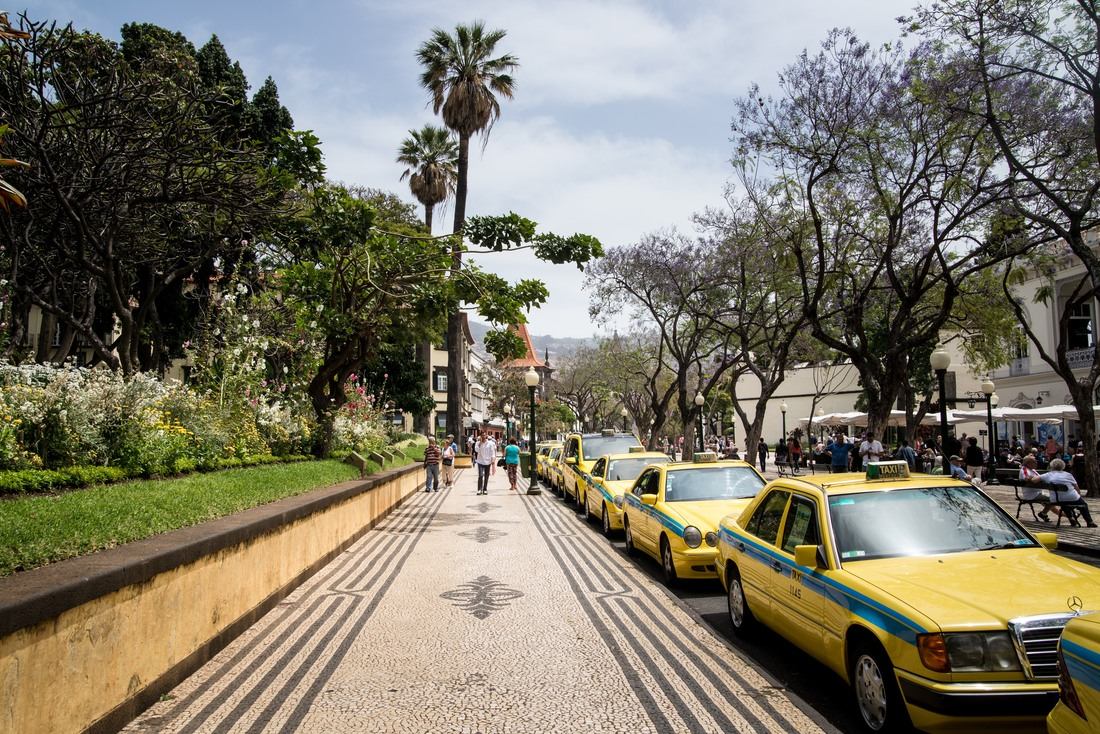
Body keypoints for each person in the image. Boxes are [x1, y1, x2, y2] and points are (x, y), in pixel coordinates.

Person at [1041, 458, 1097, 527]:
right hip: (1070, 497)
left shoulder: (1047, 475)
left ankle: (1071, 518)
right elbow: (1077, 488)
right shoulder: (1068, 475)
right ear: (1063, 466)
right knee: (1083, 504)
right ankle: (1089, 522)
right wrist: (1078, 495)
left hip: (1055, 499)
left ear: (1052, 466)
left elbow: (1034, 480)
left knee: (1064, 502)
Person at [1019, 455, 1054, 522]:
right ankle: (1043, 513)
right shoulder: (1024, 469)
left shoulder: (1033, 470)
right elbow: (1026, 478)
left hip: (1037, 492)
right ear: (1028, 463)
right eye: (1034, 462)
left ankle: (1044, 513)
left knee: (1054, 497)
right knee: (1054, 498)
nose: (1036, 463)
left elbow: (1040, 478)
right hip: (1032, 494)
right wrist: (1035, 479)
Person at [474, 431, 497, 495]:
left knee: (486, 476)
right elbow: (476, 450)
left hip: (488, 462)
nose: (483, 436)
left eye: (484, 435)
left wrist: (493, 461)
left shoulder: (490, 443)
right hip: (480, 461)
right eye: (482, 435)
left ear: (486, 436)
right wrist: (480, 444)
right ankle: (479, 489)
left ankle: (485, 489)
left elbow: (492, 452)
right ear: (480, 436)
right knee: (480, 475)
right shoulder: (477, 443)